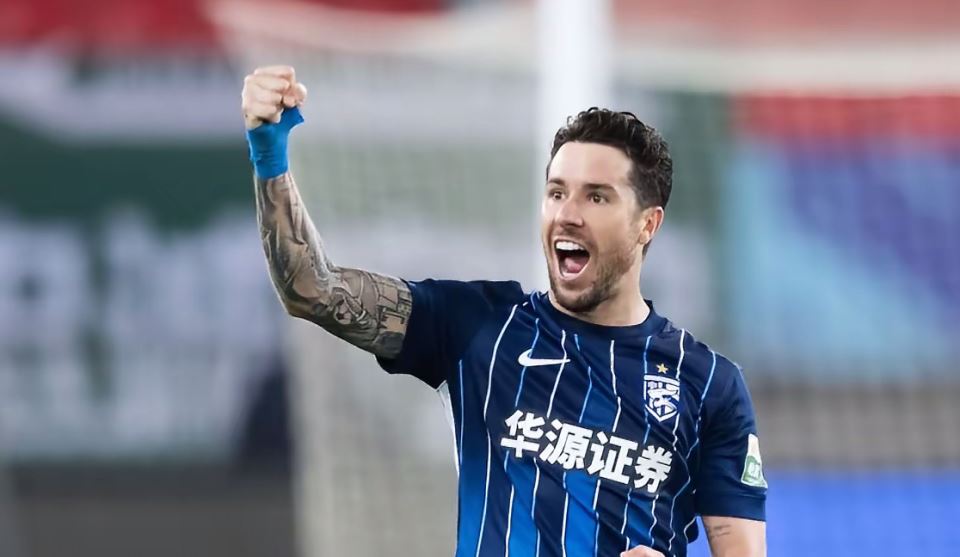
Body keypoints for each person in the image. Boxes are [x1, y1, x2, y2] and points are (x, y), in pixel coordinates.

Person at [241, 65, 767, 557]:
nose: (568, 214)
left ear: (647, 224)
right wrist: (269, 152)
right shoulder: (481, 326)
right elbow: (311, 287)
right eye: (557, 193)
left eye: (597, 198)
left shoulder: (708, 384)